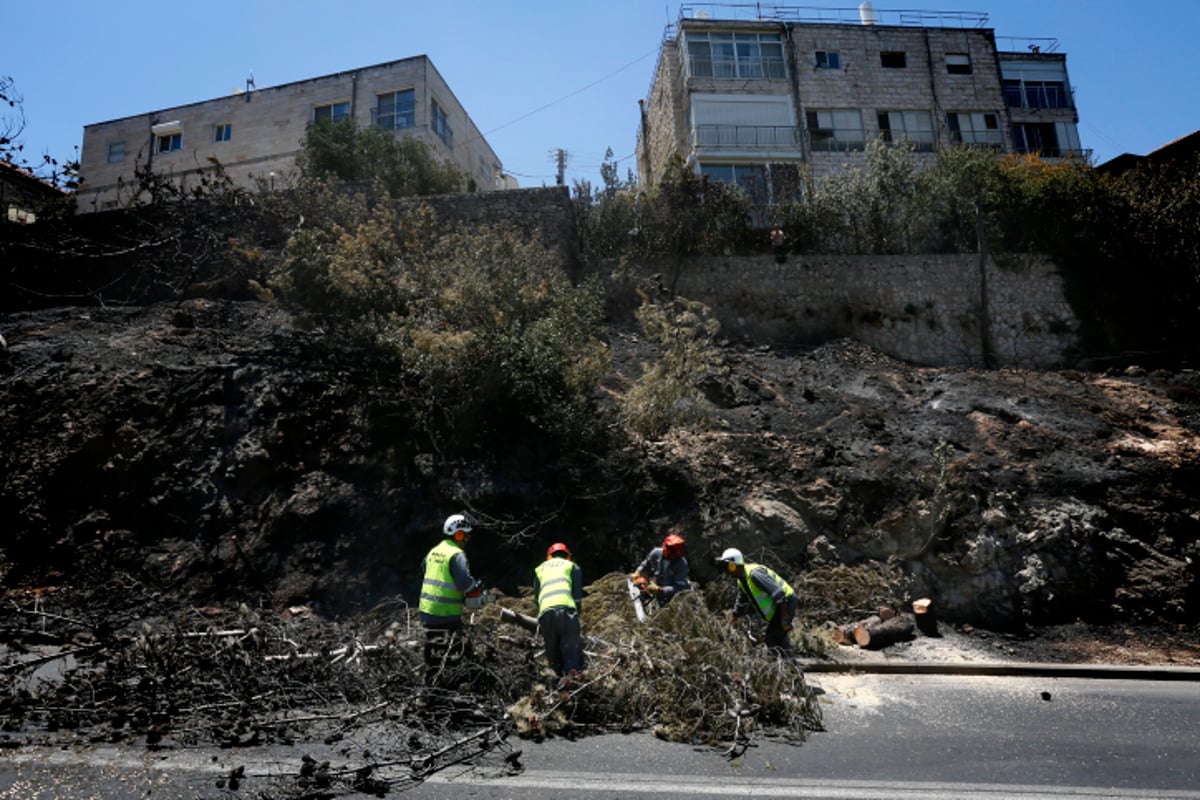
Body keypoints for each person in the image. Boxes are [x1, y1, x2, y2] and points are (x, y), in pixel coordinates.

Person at [716, 547, 798, 654]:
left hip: (785, 603)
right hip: (779, 608)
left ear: (733, 565)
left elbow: (778, 593)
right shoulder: (742, 580)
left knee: (772, 640)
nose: (725, 570)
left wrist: (784, 618)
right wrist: (731, 623)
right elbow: (741, 603)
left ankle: (786, 666)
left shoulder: (754, 574)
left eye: (726, 566)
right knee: (779, 640)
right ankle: (792, 666)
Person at [534, 542, 584, 678]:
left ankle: (555, 688)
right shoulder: (572, 566)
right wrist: (577, 614)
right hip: (567, 609)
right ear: (567, 556)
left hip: (546, 612)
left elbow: (536, 597)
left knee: (552, 654)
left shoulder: (540, 569)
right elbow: (577, 597)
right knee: (571, 652)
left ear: (549, 556)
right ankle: (572, 686)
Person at [631, 532, 692, 606]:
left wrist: (660, 590)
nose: (675, 557)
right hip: (658, 587)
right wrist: (638, 571)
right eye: (673, 553)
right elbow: (646, 563)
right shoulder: (656, 553)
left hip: (674, 597)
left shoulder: (681, 563)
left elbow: (681, 587)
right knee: (640, 582)